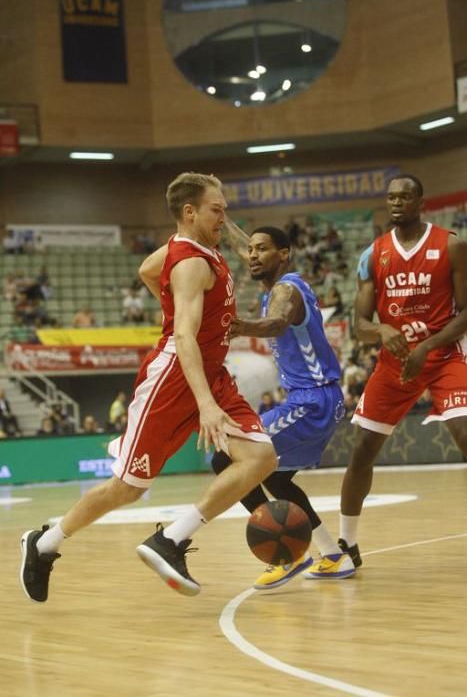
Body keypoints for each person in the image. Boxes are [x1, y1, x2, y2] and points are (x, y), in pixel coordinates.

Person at [20, 172, 276, 603]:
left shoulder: (189, 250)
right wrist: (207, 406)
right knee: (129, 488)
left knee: (260, 457)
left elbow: (147, 269)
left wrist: (172, 303)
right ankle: (43, 544)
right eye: (217, 209)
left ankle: (171, 541)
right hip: (175, 379)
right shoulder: (192, 263)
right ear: (190, 212)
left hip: (210, 372)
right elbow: (182, 338)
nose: (224, 216)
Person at [311, 174, 467, 576]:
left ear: (421, 201)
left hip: (445, 353)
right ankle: (347, 543)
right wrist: (382, 329)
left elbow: (466, 313)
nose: (397, 202)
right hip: (396, 359)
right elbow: (361, 323)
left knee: (465, 434)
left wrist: (428, 347)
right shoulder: (372, 254)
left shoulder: (451, 244)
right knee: (362, 449)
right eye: (391, 197)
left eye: (405, 196)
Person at [212, 221, 354, 589]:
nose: (254, 255)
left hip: (312, 401)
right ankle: (333, 557)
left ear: (284, 254)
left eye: (264, 249)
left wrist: (239, 326)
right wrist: (224, 223)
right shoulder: (274, 283)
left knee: (225, 458)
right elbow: (247, 247)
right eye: (253, 250)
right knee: (274, 476)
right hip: (312, 400)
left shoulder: (286, 291)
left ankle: (285, 553)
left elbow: (275, 324)